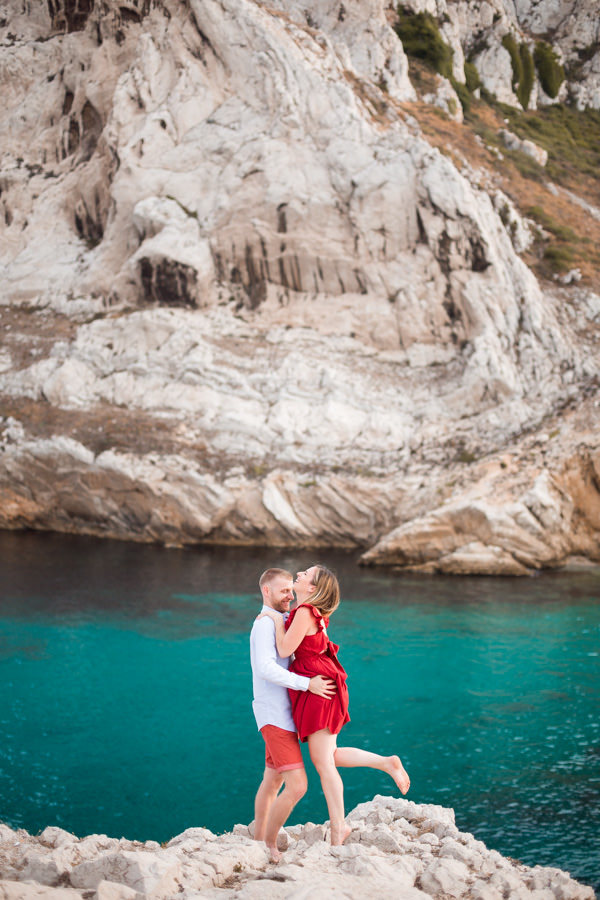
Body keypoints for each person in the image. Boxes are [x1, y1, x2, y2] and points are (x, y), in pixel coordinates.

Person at [259, 564, 410, 847]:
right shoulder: (311, 612)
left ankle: (339, 828)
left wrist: (275, 619)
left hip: (319, 689)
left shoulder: (304, 613)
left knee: (324, 763)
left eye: (305, 574)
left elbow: (283, 650)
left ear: (312, 588)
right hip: (324, 684)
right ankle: (386, 763)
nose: (299, 575)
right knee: (329, 756)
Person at [250, 567, 336, 861]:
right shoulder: (264, 624)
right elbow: (265, 668)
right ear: (266, 591)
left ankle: (259, 836)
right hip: (274, 714)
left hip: (286, 713)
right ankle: (269, 844)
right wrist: (307, 684)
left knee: (272, 779)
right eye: (283, 590)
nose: (289, 595)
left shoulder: (285, 618)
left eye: (291, 589)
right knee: (298, 785)